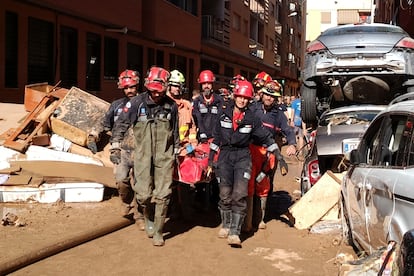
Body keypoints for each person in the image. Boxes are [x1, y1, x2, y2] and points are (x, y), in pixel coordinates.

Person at [208, 80, 288, 247]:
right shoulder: (223, 114)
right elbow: (216, 138)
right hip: (225, 156)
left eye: (246, 98)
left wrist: (279, 156)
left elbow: (266, 137)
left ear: (250, 99)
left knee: (240, 193)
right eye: (240, 97)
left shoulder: (252, 118)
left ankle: (235, 232)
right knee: (225, 193)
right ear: (235, 96)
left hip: (243, 156)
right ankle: (226, 225)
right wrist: (210, 160)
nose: (242, 100)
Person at [110, 66, 179, 246]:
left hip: (164, 156)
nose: (156, 95)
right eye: (153, 91)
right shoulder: (136, 104)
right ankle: (147, 216)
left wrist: (177, 152)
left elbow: (176, 132)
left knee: (163, 194)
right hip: (142, 156)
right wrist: (115, 147)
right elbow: (120, 125)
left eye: (160, 92)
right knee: (143, 194)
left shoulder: (171, 106)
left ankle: (158, 230)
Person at [244, 80, 296, 232]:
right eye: (267, 95)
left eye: (272, 96)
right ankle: (247, 223)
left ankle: (260, 219)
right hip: (251, 151)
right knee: (248, 184)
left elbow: (288, 130)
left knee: (264, 186)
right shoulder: (252, 108)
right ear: (262, 94)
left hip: (268, 155)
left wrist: (292, 144)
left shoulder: (278, 114)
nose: (269, 98)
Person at [99, 69, 145, 230]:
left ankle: (139, 215)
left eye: (132, 87)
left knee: (140, 185)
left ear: (137, 85)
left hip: (141, 151)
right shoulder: (116, 105)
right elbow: (105, 124)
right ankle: (127, 203)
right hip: (122, 151)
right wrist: (94, 136)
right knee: (121, 180)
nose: (129, 91)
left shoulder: (146, 103)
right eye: (126, 88)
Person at [167, 69, 198, 221]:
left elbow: (192, 127)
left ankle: (186, 212)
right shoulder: (164, 104)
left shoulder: (186, 105)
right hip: (167, 150)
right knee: (169, 182)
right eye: (174, 85)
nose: (177, 89)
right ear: (168, 86)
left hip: (184, 149)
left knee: (185, 182)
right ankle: (172, 211)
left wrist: (192, 144)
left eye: (179, 86)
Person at [192, 70, 224, 143]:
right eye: (204, 84)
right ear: (201, 85)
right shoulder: (197, 101)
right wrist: (202, 133)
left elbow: (220, 119)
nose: (206, 86)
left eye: (209, 83)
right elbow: (197, 119)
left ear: (212, 84)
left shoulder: (219, 100)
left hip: (216, 138)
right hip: (201, 138)